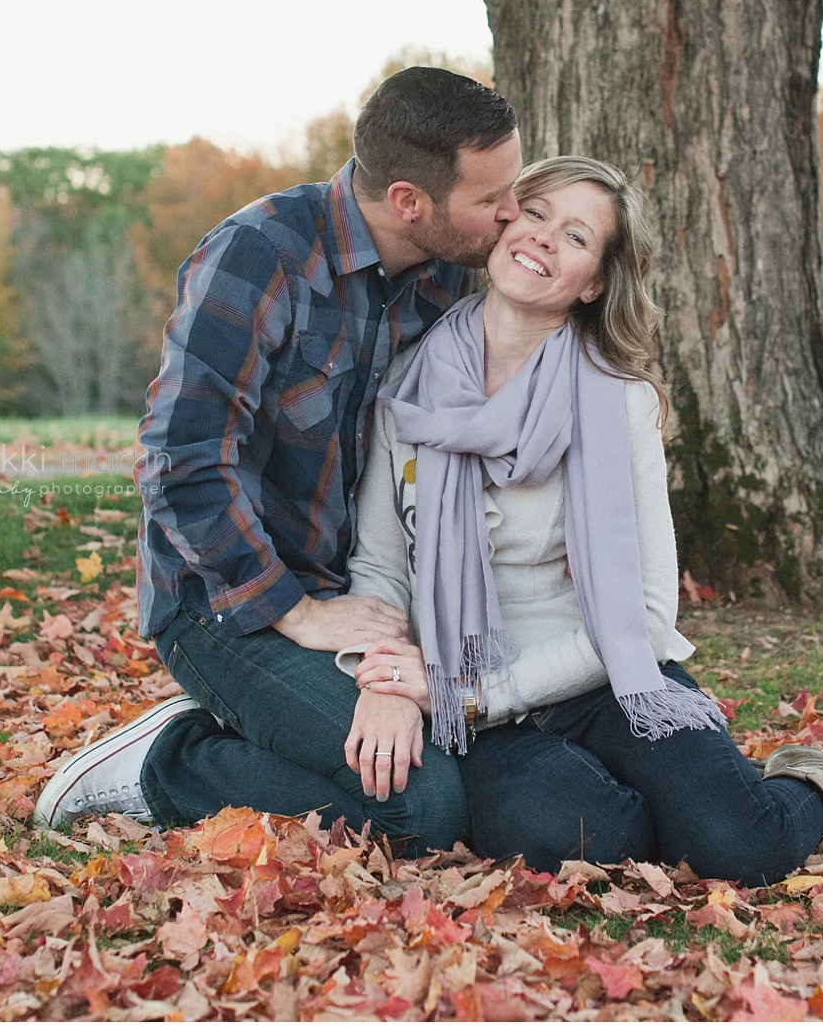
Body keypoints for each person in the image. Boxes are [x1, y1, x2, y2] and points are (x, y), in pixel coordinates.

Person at [335, 155, 823, 885]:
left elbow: (649, 615)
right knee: (587, 839)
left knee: (741, 849)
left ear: (594, 281)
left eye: (574, 236)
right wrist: (382, 679)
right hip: (467, 697)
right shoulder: (407, 389)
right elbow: (378, 566)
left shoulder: (616, 403)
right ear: (503, 222)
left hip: (600, 680)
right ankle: (657, 800)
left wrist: (478, 693)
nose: (541, 239)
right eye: (534, 214)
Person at [33, 66, 522, 854]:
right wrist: (299, 614)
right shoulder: (261, 256)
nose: (512, 212)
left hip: (367, 595)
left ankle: (261, 732)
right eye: (491, 198)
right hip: (227, 602)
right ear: (408, 201)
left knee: (476, 776)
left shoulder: (453, 276)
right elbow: (181, 461)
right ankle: (166, 764)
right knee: (421, 810)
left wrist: (389, 650)